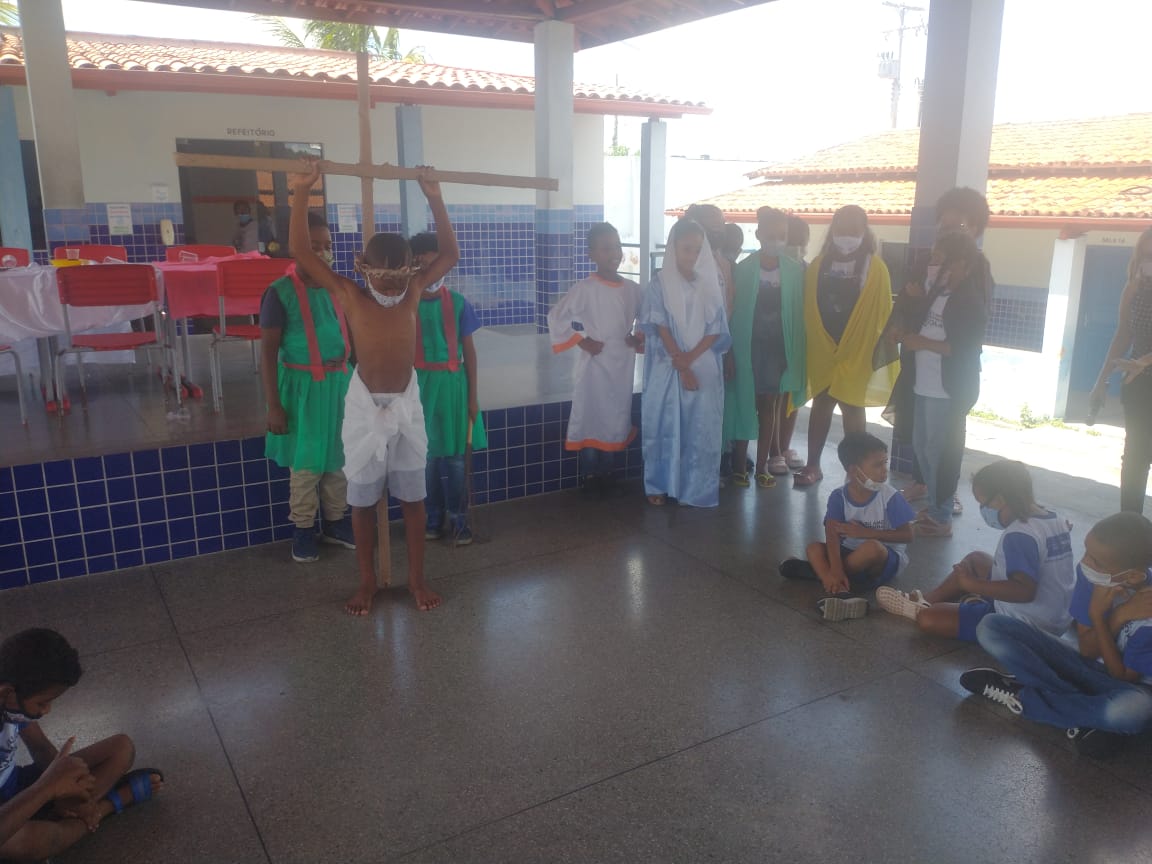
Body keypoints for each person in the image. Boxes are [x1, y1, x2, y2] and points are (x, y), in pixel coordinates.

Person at [290, 160, 457, 615]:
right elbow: (302, 253)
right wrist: (302, 191)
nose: (388, 284)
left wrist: (435, 197)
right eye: (380, 275)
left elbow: (449, 255)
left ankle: (416, 579)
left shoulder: (414, 290)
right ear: (363, 268)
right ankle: (366, 581)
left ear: (410, 269)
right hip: (365, 408)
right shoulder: (350, 294)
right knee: (362, 502)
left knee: (413, 498)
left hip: (406, 405)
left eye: (398, 275)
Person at [961, 512, 1152, 758]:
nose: (1085, 562)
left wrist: (1100, 617)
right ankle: (1084, 714)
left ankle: (1024, 698)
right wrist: (1115, 616)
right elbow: (1088, 650)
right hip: (1089, 666)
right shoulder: (1092, 576)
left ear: (1132, 575)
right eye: (1086, 550)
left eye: (1096, 561)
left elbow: (1125, 678)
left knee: (1131, 712)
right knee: (991, 626)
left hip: (1133, 687)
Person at [0, 629, 162, 861]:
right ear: (6, 692)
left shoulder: (11, 705)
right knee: (28, 842)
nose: (47, 710)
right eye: (42, 703)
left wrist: (70, 789)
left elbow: (41, 748)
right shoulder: (11, 699)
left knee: (121, 748)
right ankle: (106, 807)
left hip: (17, 785)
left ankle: (69, 812)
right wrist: (47, 789)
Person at [876, 460, 1076, 641]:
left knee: (928, 619)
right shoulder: (1055, 519)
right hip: (1056, 618)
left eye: (984, 504)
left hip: (1023, 622)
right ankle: (924, 600)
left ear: (1000, 499)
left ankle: (939, 606)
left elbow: (1024, 591)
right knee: (976, 560)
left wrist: (973, 585)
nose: (984, 512)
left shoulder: (1019, 535)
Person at [260, 210, 355, 563]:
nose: (323, 253)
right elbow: (267, 354)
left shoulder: (338, 288)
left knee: (338, 457)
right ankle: (302, 528)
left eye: (327, 245)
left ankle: (335, 522)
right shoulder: (279, 294)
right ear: (296, 248)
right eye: (313, 246)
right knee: (307, 462)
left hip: (339, 385)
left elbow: (353, 336)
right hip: (302, 391)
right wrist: (274, 405)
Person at [899, 186, 994, 513]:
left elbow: (968, 332)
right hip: (922, 370)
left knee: (945, 441)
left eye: (958, 226)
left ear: (976, 228)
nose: (948, 231)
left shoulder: (977, 271)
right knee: (923, 438)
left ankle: (942, 496)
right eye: (943, 225)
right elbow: (913, 305)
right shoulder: (926, 261)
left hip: (951, 375)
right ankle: (926, 485)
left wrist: (927, 340)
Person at [889, 230, 987, 538]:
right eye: (932, 258)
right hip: (923, 383)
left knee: (939, 452)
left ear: (962, 264)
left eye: (939, 259)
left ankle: (941, 515)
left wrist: (921, 342)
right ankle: (934, 506)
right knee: (922, 447)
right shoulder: (935, 294)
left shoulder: (969, 301)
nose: (932, 265)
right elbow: (920, 326)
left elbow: (963, 347)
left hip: (946, 390)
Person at [796, 205, 896, 487]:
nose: (847, 235)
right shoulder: (819, 265)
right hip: (824, 349)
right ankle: (812, 465)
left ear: (865, 232)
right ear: (833, 231)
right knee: (821, 403)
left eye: (853, 230)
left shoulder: (876, 269)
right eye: (842, 229)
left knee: (853, 407)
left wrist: (862, 347)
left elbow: (881, 313)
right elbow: (809, 308)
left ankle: (857, 471)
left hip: (857, 352)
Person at [639, 219, 731, 508]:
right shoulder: (659, 282)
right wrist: (681, 363)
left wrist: (690, 360)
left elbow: (716, 327)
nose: (692, 255)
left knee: (700, 427)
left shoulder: (710, 281)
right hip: (668, 364)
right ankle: (659, 483)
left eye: (697, 249)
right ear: (673, 248)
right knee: (664, 423)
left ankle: (696, 486)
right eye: (686, 249)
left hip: (701, 362)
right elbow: (660, 325)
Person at [548, 222, 643, 496]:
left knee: (616, 415)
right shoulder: (586, 288)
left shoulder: (633, 289)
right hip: (596, 364)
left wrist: (637, 337)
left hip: (622, 363)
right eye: (606, 248)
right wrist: (582, 341)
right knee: (592, 414)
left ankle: (607, 473)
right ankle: (590, 474)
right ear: (592, 254)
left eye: (617, 246)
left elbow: (648, 317)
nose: (614, 253)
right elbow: (556, 316)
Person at [781, 433, 915, 622]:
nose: (884, 471)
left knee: (872, 547)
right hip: (849, 553)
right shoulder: (839, 496)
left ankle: (820, 575)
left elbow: (907, 535)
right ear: (854, 470)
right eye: (878, 465)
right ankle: (841, 591)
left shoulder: (890, 497)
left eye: (885, 462)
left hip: (883, 559)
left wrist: (866, 533)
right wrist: (836, 567)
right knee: (814, 548)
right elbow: (832, 533)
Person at [409, 231, 486, 544]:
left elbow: (470, 352)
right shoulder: (406, 303)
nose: (428, 272)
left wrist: (472, 397)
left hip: (454, 387)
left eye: (433, 264)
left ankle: (458, 518)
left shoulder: (457, 303)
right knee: (424, 459)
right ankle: (432, 516)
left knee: (455, 459)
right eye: (420, 265)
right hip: (418, 388)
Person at [724, 207, 806, 488]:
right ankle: (739, 465)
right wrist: (730, 351)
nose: (776, 240)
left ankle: (762, 466)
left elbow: (797, 315)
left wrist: (795, 355)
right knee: (743, 402)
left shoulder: (794, 271)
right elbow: (733, 312)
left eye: (781, 235)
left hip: (777, 349)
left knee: (769, 405)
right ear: (758, 234)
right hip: (746, 348)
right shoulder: (744, 269)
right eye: (770, 235)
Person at [1089, 227, 1152, 514]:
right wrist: (1100, 381)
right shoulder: (1133, 289)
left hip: (1141, 369)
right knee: (1136, 457)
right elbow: (1123, 334)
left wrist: (1146, 360)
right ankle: (1129, 525)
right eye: (1145, 256)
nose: (1148, 263)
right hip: (1138, 382)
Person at [769, 213, 813, 474]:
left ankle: (785, 447)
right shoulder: (769, 269)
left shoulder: (809, 270)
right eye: (791, 241)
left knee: (793, 397)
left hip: (800, 343)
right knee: (774, 398)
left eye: (802, 242)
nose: (797, 247)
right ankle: (773, 451)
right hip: (773, 342)